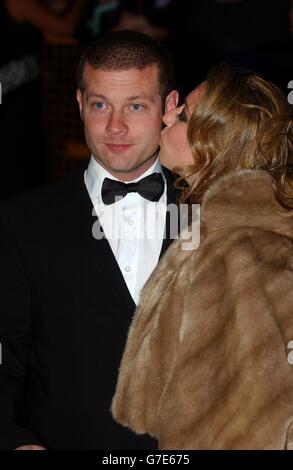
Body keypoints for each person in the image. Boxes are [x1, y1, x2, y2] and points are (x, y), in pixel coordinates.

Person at [0, 30, 179, 450]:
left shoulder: (220, 213)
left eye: (135, 106)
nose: (114, 126)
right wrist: (11, 439)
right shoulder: (21, 222)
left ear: (169, 108)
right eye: (100, 105)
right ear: (80, 105)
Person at [112, 63, 293, 449]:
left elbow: (253, 419)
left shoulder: (239, 252)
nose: (167, 116)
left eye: (184, 115)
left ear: (213, 143)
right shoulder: (218, 233)